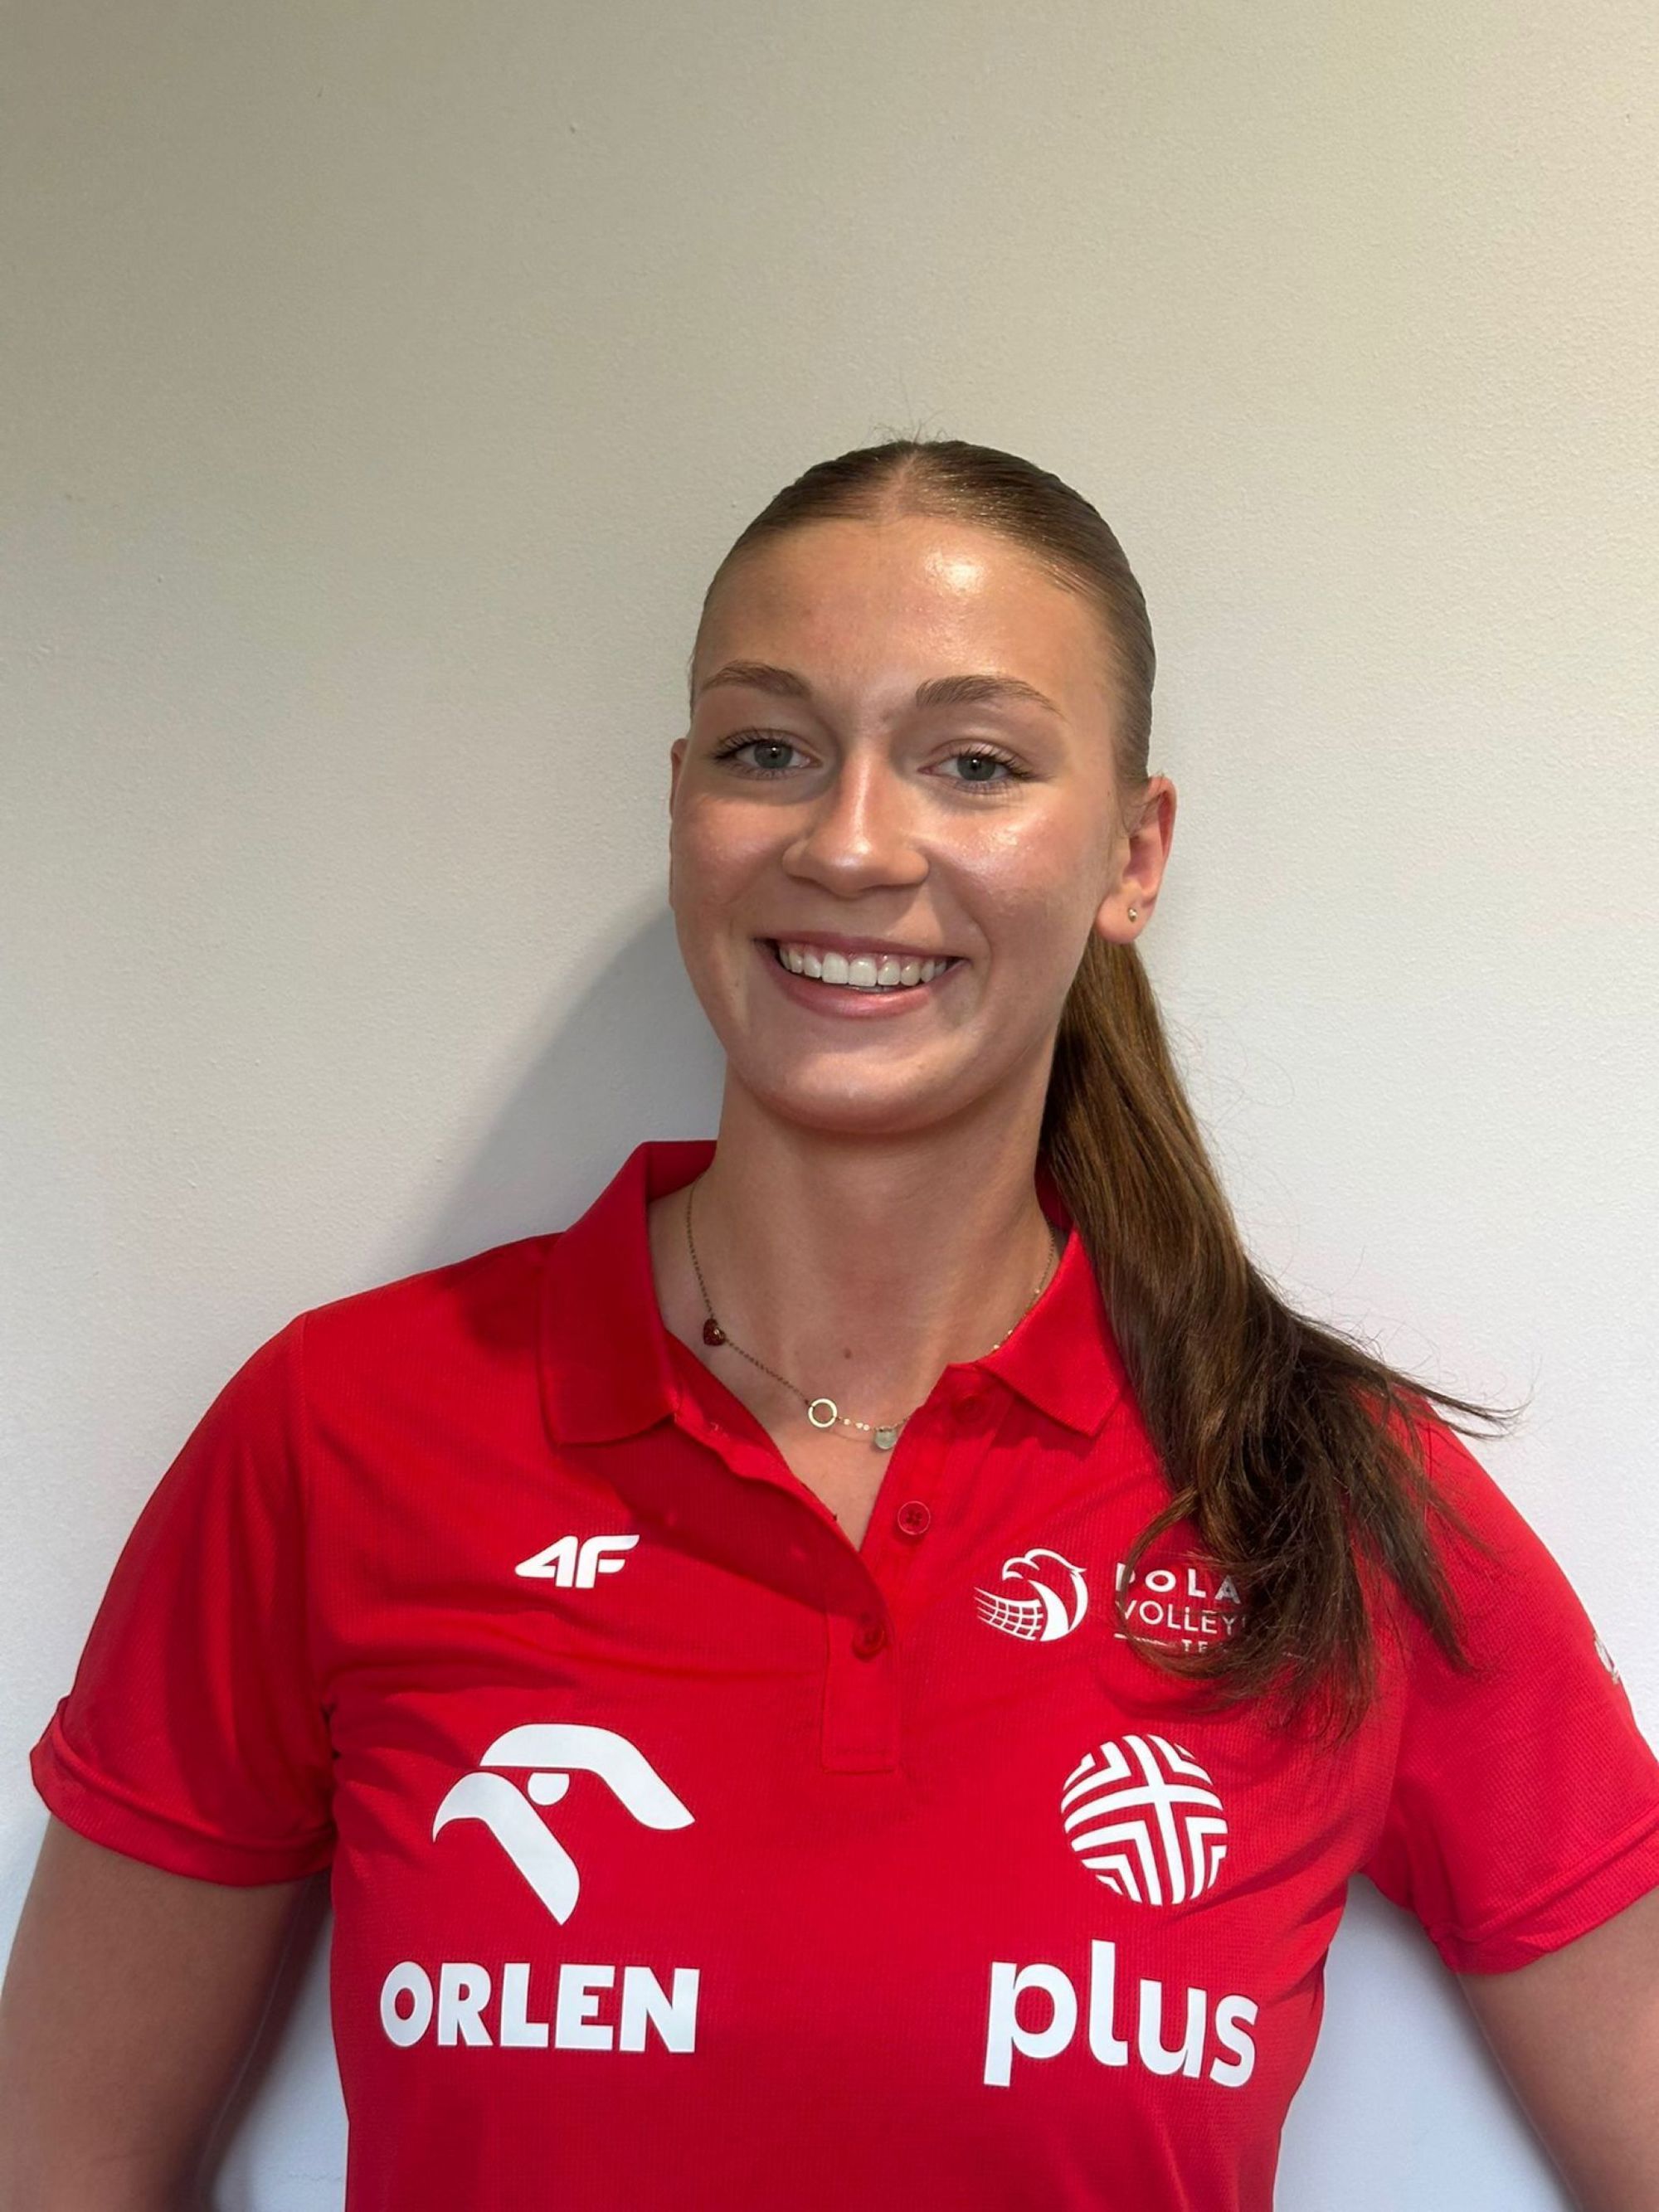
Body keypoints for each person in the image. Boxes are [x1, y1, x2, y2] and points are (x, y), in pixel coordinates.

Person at [3, 435, 1657, 2212]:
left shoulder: (1312, 1491)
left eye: (975, 763)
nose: (853, 842)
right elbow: (61, 2157)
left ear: (1133, 854)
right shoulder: (343, 1431)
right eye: (769, 749)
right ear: (682, 804)